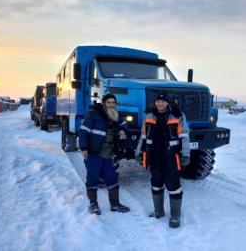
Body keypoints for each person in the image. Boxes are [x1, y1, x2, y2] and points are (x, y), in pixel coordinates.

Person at [135, 91, 190, 228]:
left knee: (174, 186)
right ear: (155, 103)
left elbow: (184, 136)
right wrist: (139, 152)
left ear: (167, 103)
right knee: (156, 182)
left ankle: (175, 216)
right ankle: (158, 211)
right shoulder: (148, 115)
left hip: (171, 157)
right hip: (154, 156)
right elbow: (143, 136)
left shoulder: (178, 116)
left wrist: (185, 154)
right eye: (158, 101)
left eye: (163, 101)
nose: (160, 104)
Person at [79, 93, 130, 215]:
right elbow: (83, 131)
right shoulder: (93, 115)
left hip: (109, 154)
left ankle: (115, 203)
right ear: (104, 103)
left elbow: (125, 125)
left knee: (112, 178)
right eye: (109, 102)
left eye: (113, 103)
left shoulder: (116, 115)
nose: (111, 105)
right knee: (93, 178)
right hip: (94, 153)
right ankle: (93, 204)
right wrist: (84, 148)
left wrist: (123, 131)